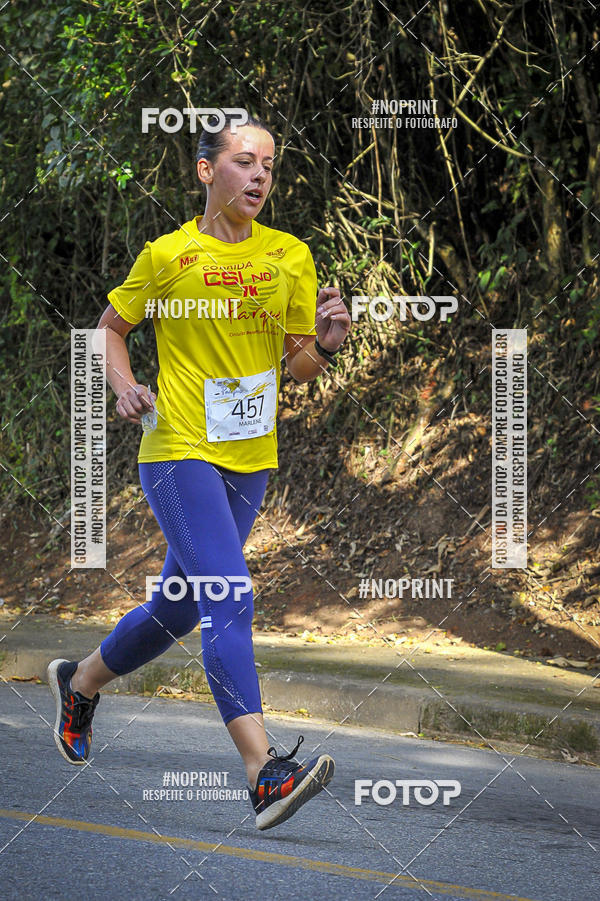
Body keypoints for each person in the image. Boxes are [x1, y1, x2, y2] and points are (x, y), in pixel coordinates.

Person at [48, 110, 351, 831]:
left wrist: (326, 345)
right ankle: (264, 773)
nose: (259, 176)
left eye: (269, 165)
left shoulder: (290, 256)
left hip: (250, 459)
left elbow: (296, 365)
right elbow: (109, 330)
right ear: (207, 170)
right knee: (229, 597)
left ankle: (80, 682)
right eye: (245, 161)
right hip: (177, 449)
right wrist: (124, 386)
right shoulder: (169, 255)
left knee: (178, 608)